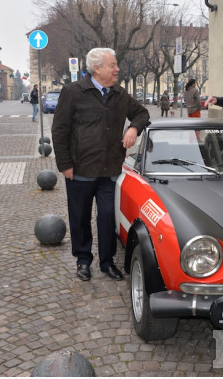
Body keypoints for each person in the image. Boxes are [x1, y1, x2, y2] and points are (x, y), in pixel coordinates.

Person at [52, 47, 149, 281]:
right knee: (80, 218)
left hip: (109, 170)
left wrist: (134, 128)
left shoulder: (119, 94)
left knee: (107, 217)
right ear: (97, 68)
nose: (117, 69)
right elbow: (60, 129)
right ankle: (83, 260)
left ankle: (107, 262)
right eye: (112, 65)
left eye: (116, 65)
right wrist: (65, 164)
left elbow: (142, 113)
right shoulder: (73, 92)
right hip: (80, 170)